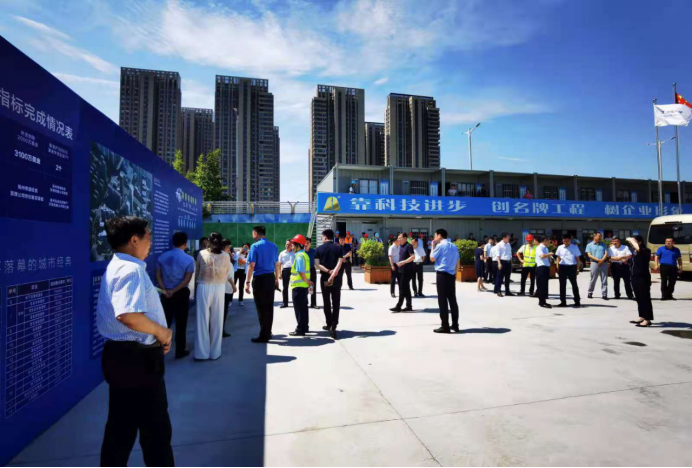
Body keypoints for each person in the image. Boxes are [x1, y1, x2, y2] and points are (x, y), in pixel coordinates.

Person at [97, 216, 174, 467]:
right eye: (148, 237)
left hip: (125, 358)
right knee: (156, 433)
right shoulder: (130, 270)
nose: (150, 243)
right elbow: (129, 315)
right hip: (137, 361)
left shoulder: (119, 265)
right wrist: (162, 333)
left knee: (121, 429)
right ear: (134, 240)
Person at [156, 231, 194, 359]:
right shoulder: (189, 259)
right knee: (181, 323)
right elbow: (186, 280)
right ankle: (180, 350)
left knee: (164, 322)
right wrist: (174, 290)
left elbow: (158, 276)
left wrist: (165, 290)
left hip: (165, 293)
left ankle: (159, 350)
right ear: (185, 243)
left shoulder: (162, 257)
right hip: (181, 293)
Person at [194, 232, 230, 360]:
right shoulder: (226, 256)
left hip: (203, 286)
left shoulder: (201, 254)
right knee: (217, 320)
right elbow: (227, 273)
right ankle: (215, 352)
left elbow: (197, 271)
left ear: (208, 241)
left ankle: (201, 353)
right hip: (219, 287)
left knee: (202, 320)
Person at [245, 225, 280, 343]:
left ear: (256, 233)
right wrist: (276, 279)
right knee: (269, 306)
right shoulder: (273, 246)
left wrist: (247, 282)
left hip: (259, 279)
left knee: (261, 307)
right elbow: (277, 264)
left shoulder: (255, 246)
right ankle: (268, 332)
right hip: (270, 278)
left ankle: (263, 335)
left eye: (253, 233)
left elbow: (251, 266)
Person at [430, 229, 460, 333]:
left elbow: (432, 258)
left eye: (435, 235)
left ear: (439, 235)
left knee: (442, 300)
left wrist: (432, 246)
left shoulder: (440, 246)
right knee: (452, 300)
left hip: (442, 275)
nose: (434, 238)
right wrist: (455, 274)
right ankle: (455, 325)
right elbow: (457, 261)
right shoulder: (454, 246)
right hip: (451, 275)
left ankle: (445, 326)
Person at [315, 229, 343, 338]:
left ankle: (328, 323)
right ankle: (334, 325)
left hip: (325, 278)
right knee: (336, 302)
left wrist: (328, 271)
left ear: (325, 237)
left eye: (322, 237)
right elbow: (340, 262)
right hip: (336, 278)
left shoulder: (318, 249)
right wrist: (334, 273)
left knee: (326, 301)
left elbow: (317, 265)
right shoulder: (338, 247)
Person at [288, 235, 313, 336]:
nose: (292, 247)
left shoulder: (299, 256)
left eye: (293, 245)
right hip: (303, 286)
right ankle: (305, 327)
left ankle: (300, 329)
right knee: (304, 308)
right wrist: (307, 282)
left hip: (298, 287)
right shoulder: (305, 255)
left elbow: (301, 272)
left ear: (298, 245)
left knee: (299, 309)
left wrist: (307, 281)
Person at [628, 236, 654, 327]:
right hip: (635, 277)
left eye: (633, 242)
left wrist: (631, 239)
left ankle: (648, 319)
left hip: (643, 278)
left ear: (640, 242)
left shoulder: (646, 250)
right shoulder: (635, 252)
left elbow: (639, 249)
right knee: (639, 298)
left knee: (645, 298)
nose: (631, 244)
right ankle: (642, 316)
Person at [555, 233, 582, 308]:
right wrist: (557, 268)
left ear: (570, 240)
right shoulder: (560, 247)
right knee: (562, 285)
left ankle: (577, 301)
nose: (565, 242)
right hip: (562, 267)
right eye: (564, 241)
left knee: (574, 284)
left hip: (572, 267)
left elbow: (578, 259)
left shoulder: (575, 247)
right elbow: (558, 258)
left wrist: (577, 269)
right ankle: (563, 301)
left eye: (567, 241)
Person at [390, 233, 415, 312]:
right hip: (401, 269)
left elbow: (413, 257)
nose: (399, 240)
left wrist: (403, 262)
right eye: (398, 238)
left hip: (408, 270)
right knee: (406, 288)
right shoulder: (400, 246)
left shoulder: (409, 246)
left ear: (405, 238)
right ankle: (409, 305)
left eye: (400, 238)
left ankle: (398, 306)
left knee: (402, 287)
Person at [221, 239, 238, 338]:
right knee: (223, 311)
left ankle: (220, 329)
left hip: (225, 288)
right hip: (225, 288)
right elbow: (228, 275)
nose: (229, 249)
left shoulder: (225, 256)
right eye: (228, 247)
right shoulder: (224, 256)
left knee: (223, 310)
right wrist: (233, 285)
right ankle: (221, 330)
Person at [586, 232, 609, 300]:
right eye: (599, 236)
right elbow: (589, 255)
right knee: (593, 279)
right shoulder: (589, 245)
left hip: (603, 263)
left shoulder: (603, 244)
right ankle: (590, 292)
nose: (600, 237)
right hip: (594, 263)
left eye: (601, 236)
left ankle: (604, 294)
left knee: (604, 279)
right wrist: (598, 260)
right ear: (594, 236)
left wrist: (602, 260)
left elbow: (606, 253)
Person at [535, 235, 554, 308]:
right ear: (545, 240)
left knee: (545, 285)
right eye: (549, 240)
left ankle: (544, 301)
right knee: (541, 285)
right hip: (541, 268)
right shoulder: (539, 247)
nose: (549, 242)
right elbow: (542, 256)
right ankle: (541, 302)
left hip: (546, 267)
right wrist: (550, 254)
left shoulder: (546, 248)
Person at [493, 233, 513, 297]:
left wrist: (511, 262)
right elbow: (498, 255)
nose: (509, 238)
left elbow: (510, 254)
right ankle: (498, 291)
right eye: (507, 237)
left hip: (508, 262)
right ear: (504, 238)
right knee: (500, 278)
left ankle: (507, 291)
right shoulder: (499, 245)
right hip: (502, 262)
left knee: (507, 278)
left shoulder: (508, 244)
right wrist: (499, 263)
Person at [278, 239, 295, 308]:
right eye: (287, 244)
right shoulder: (282, 253)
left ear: (292, 245)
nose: (288, 245)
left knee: (295, 287)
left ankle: (296, 302)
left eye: (290, 244)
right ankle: (285, 303)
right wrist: (279, 273)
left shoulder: (295, 253)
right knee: (285, 287)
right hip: (285, 270)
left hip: (294, 271)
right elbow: (279, 264)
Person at [305, 238, 318, 309]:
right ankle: (305, 302)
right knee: (305, 286)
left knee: (312, 286)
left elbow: (317, 260)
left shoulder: (313, 251)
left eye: (308, 242)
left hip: (312, 269)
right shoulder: (302, 252)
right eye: (305, 242)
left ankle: (313, 303)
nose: (306, 244)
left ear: (310, 244)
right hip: (304, 270)